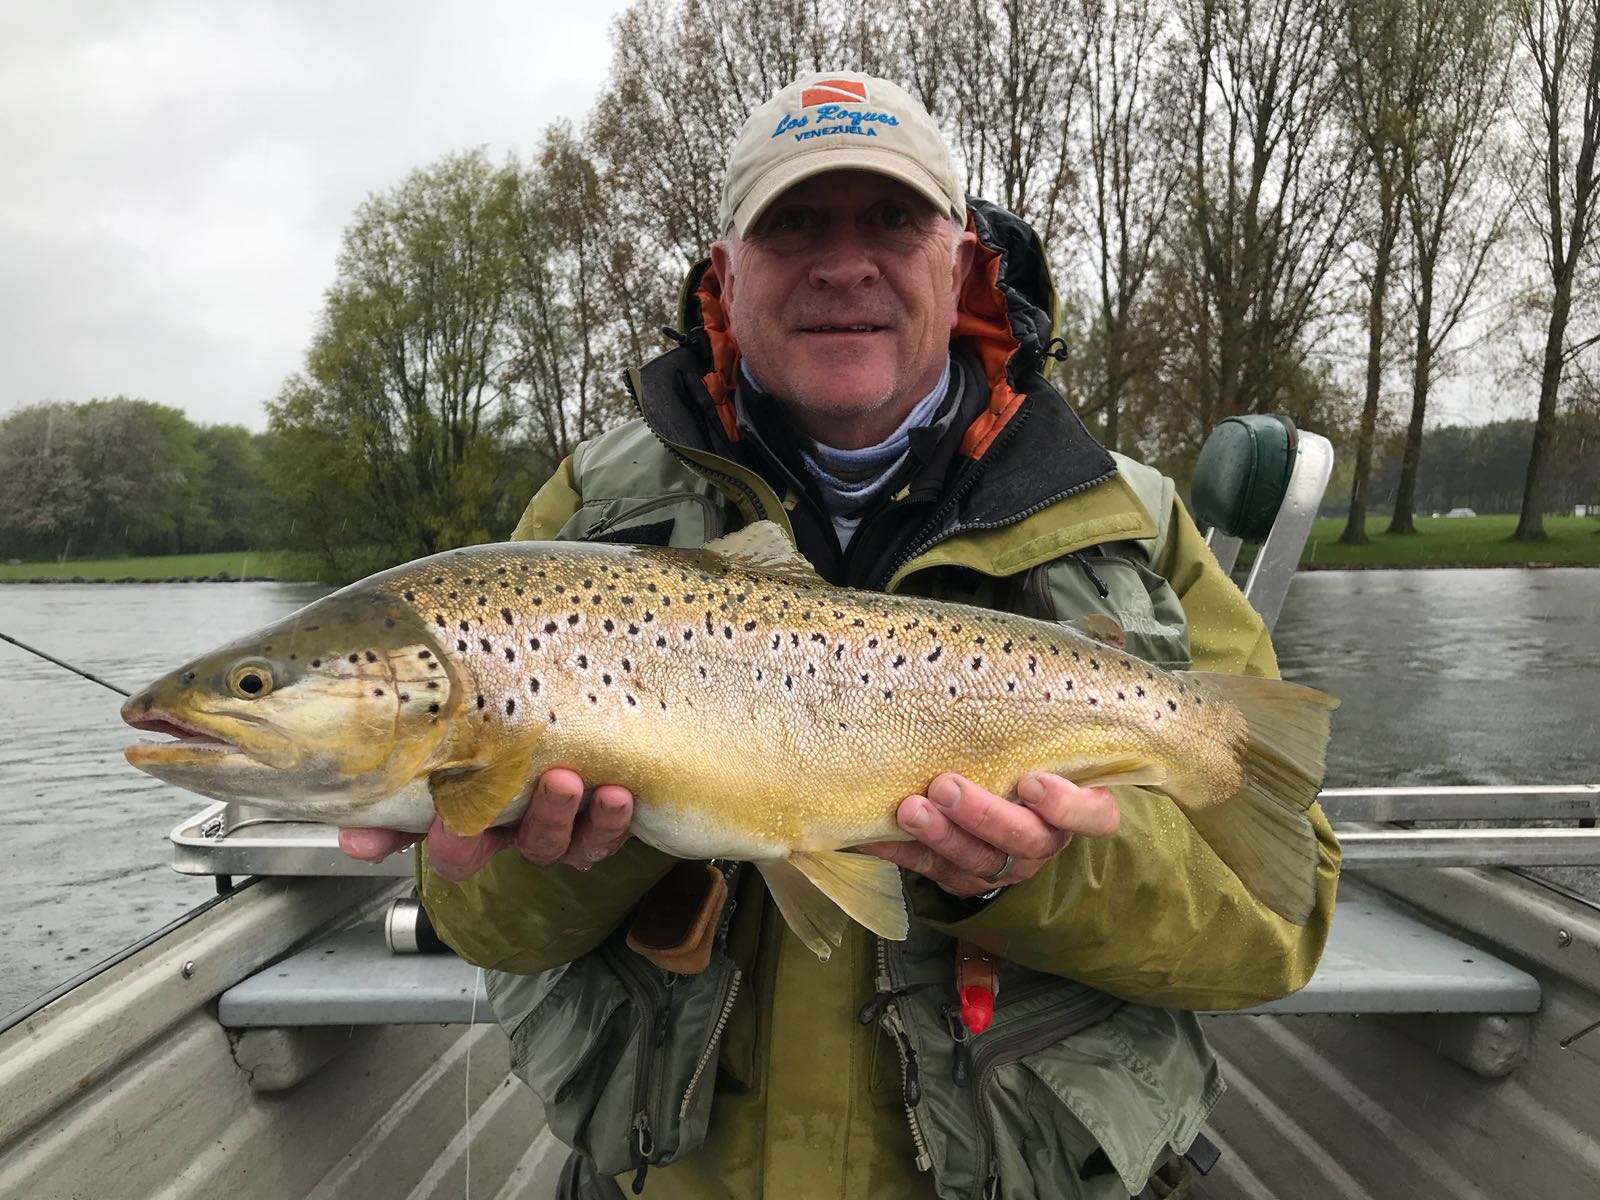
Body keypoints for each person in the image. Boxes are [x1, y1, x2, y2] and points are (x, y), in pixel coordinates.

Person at [342, 70, 1340, 1200]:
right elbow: (493, 930)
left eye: (890, 221)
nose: (843, 264)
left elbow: (1275, 932)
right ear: (727, 274)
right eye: (795, 224)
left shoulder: (1133, 522)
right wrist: (574, 857)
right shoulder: (585, 518)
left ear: (959, 262)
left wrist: (1033, 878)